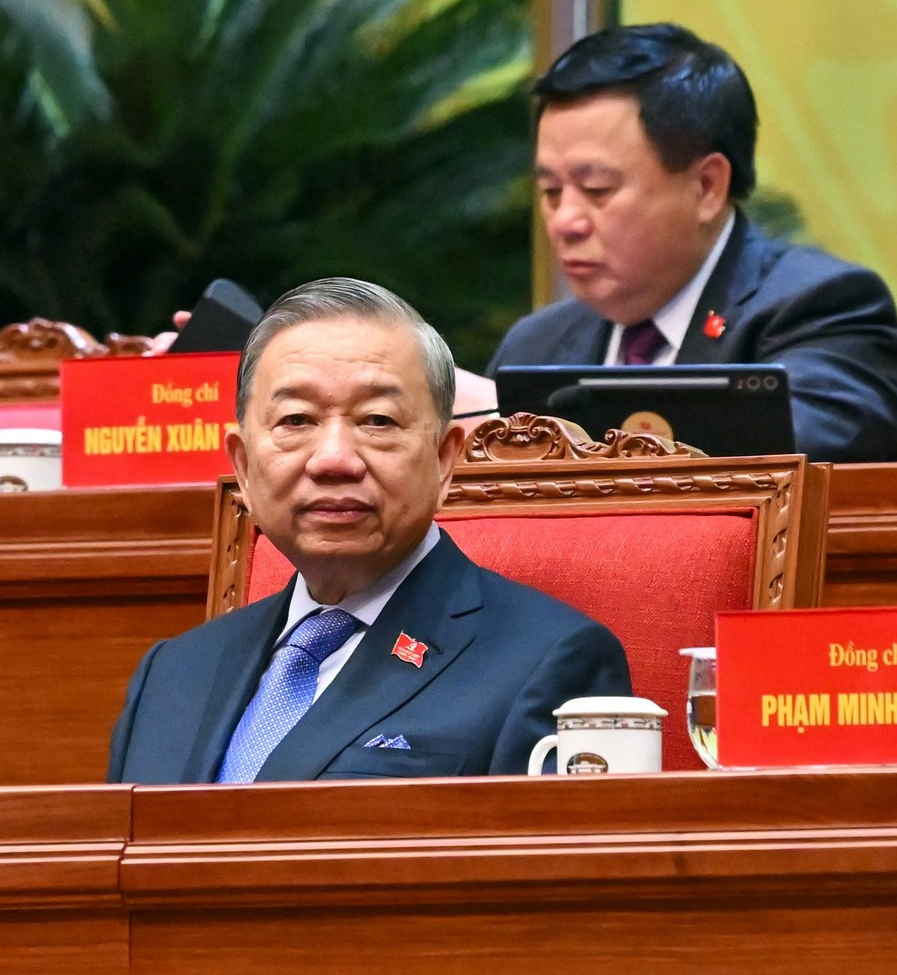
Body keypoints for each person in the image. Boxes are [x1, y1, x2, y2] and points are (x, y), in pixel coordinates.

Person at [108, 277, 631, 784]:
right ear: (243, 468)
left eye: (378, 421)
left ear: (445, 461)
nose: (334, 459)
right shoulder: (172, 673)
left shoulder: (549, 663)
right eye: (296, 420)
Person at [489, 23, 897, 463]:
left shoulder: (822, 308)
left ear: (707, 187)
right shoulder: (536, 345)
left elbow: (779, 455)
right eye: (551, 192)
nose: (565, 221)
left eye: (597, 188)